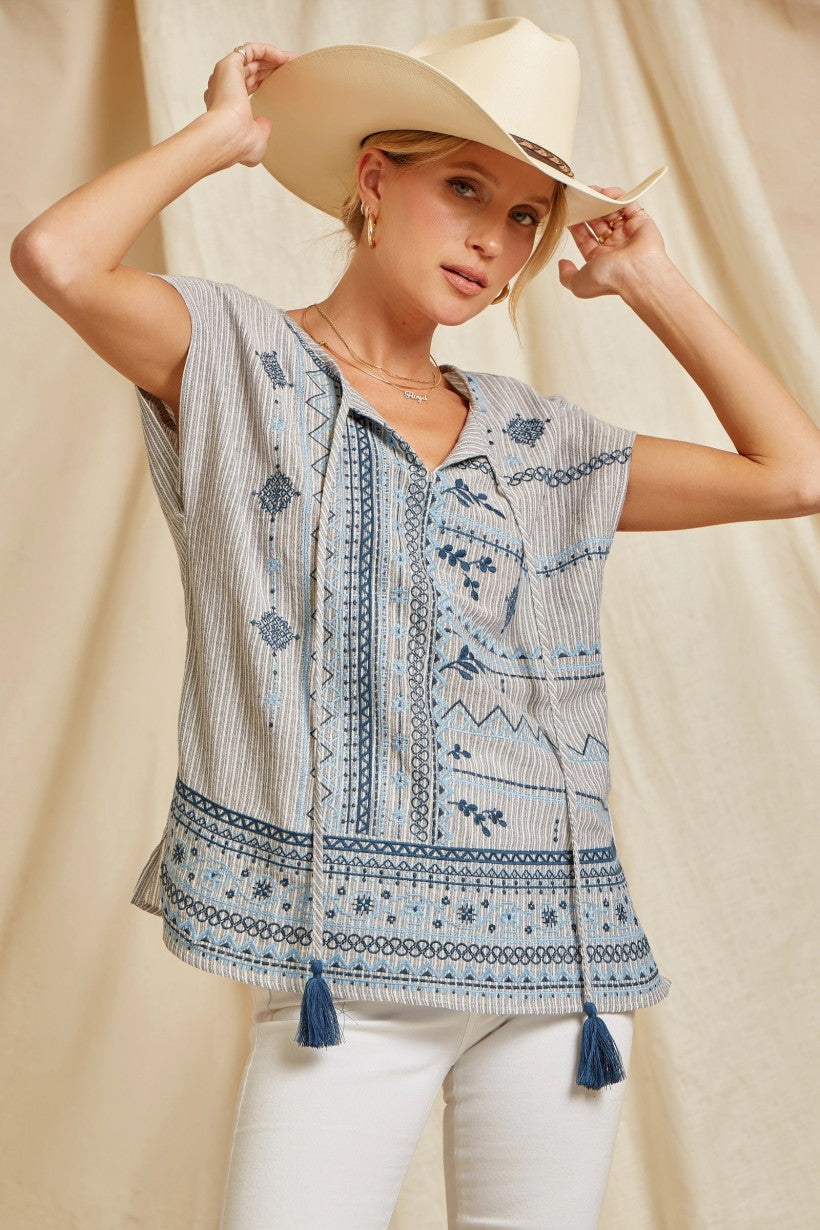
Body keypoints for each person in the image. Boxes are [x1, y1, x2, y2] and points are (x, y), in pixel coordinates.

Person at [10, 16, 820, 1230]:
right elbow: (56, 258)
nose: (495, 240)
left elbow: (793, 474)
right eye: (464, 189)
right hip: (347, 972)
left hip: (559, 969)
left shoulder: (539, 443)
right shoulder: (235, 359)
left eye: (526, 217)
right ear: (375, 182)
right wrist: (220, 137)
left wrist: (648, 280)